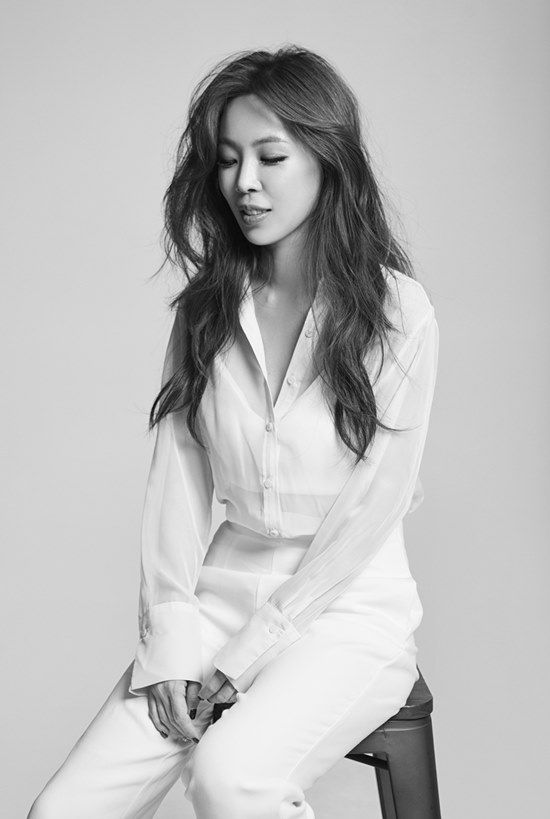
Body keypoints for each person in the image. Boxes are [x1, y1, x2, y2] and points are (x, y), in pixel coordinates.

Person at [28, 44, 440, 819]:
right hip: (221, 594)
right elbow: (177, 487)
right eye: (227, 160)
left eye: (271, 157)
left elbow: (370, 512)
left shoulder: (398, 314)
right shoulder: (206, 311)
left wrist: (248, 655)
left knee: (229, 777)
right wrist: (172, 644)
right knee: (64, 810)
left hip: (349, 609)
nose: (245, 182)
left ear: (327, 159)